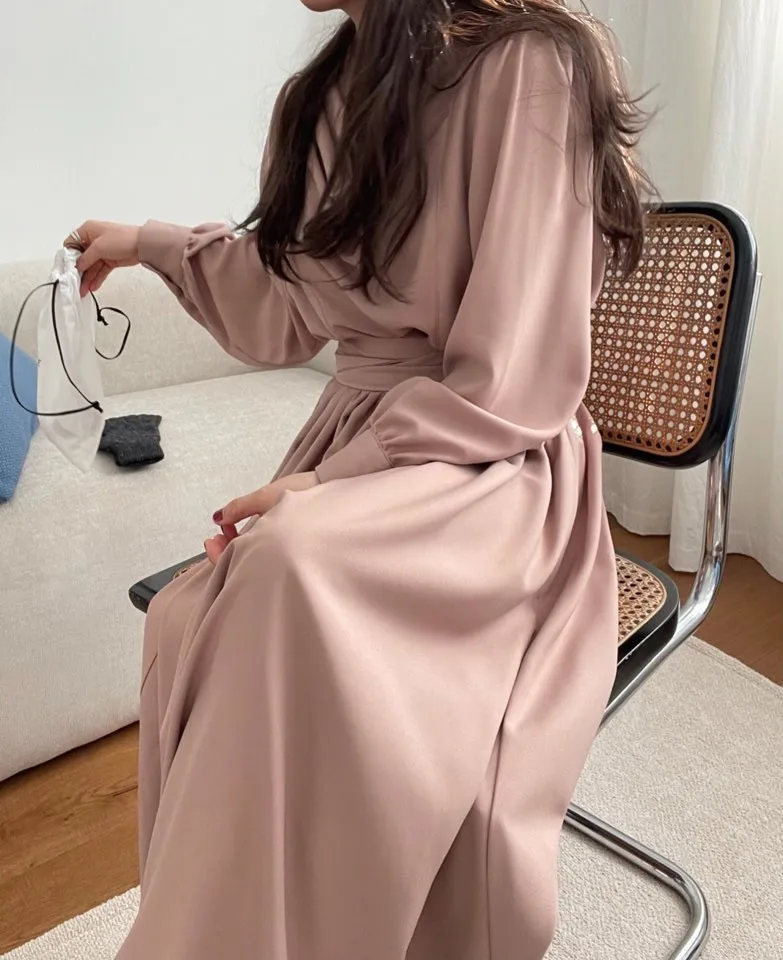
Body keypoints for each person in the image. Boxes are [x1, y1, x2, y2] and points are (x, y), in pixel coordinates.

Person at [68, 1, 650, 957]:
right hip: (357, 441)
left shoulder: (532, 63)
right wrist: (152, 243)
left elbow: (517, 369)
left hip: (489, 458)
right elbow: (285, 307)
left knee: (290, 565)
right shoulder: (320, 97)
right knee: (192, 615)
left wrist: (342, 479)